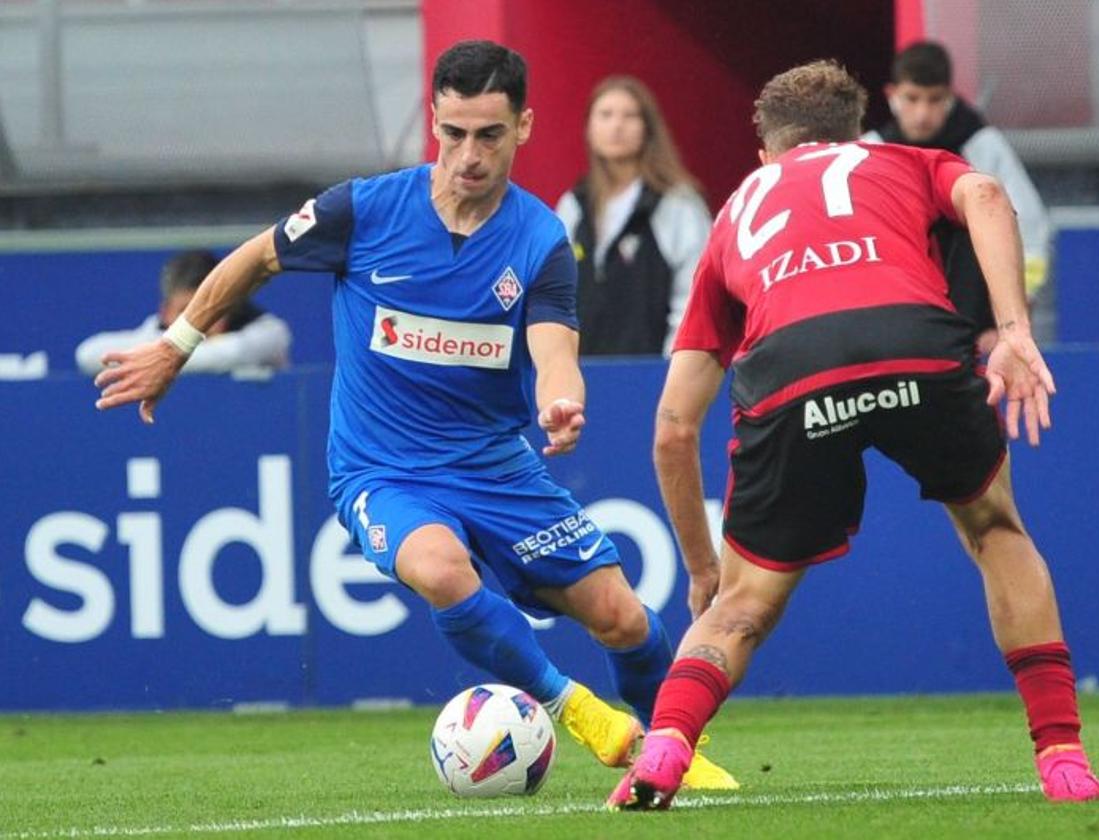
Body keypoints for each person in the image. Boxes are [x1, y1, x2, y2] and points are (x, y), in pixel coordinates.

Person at [91, 40, 733, 789]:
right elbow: (254, 260)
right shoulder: (363, 210)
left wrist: (562, 401)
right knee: (439, 567)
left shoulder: (539, 239)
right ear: (434, 119)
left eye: (489, 134)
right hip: (383, 469)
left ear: (523, 128)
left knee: (622, 618)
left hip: (495, 464)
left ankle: (673, 751)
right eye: (454, 132)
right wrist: (176, 346)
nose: (469, 154)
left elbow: (555, 348)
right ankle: (577, 709)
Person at [608, 60, 1099, 810]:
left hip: (791, 371)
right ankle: (1064, 759)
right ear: (856, 132)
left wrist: (704, 571)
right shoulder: (902, 159)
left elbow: (674, 428)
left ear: (766, 156)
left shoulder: (733, 213)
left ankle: (663, 753)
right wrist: (1010, 330)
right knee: (995, 529)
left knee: (743, 609)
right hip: (915, 344)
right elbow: (986, 193)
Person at [863, 41, 1051, 352]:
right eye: (912, 99)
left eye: (934, 100)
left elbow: (1030, 233)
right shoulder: (870, 151)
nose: (923, 113)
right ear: (891, 95)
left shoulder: (983, 146)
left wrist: (1008, 323)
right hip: (899, 335)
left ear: (950, 98)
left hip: (980, 337)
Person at [555, 76, 711, 356]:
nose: (617, 126)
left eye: (629, 116)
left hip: (652, 376)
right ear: (589, 127)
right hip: (580, 378)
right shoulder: (574, 205)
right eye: (605, 115)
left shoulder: (676, 204)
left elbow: (692, 300)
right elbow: (554, 295)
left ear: (647, 128)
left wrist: (672, 371)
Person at [75, 250, 291, 375]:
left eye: (208, 311)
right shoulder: (152, 334)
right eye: (185, 313)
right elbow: (89, 354)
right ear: (165, 312)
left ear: (228, 308)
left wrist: (162, 355)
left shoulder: (267, 332)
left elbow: (234, 353)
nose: (198, 324)